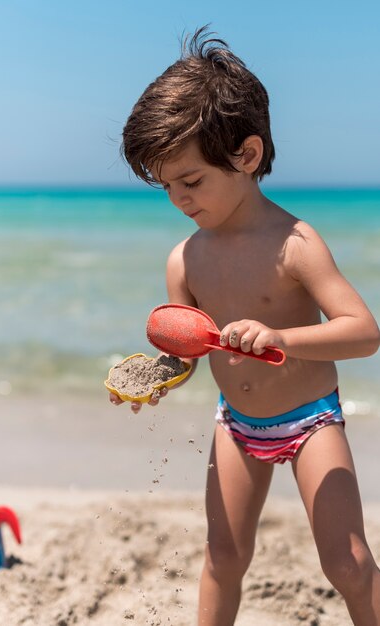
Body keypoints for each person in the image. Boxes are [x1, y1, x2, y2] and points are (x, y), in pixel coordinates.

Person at [110, 26, 380, 626]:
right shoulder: (184, 259)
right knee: (224, 557)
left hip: (311, 421)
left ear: (247, 156)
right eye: (167, 187)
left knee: (348, 562)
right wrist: (155, 375)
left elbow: (363, 331)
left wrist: (281, 338)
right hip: (236, 426)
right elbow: (187, 350)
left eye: (192, 181)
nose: (179, 198)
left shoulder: (296, 244)